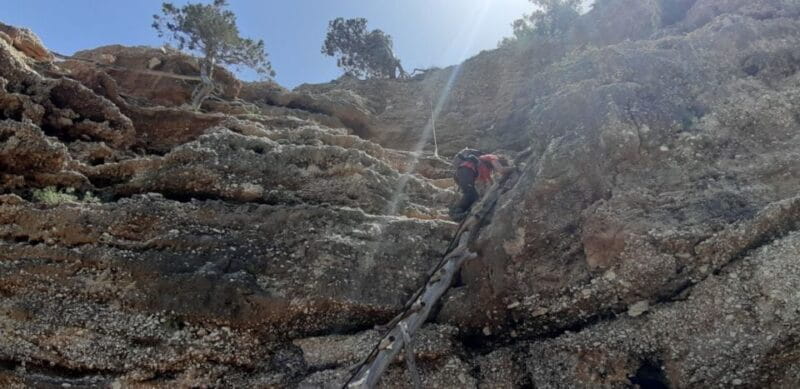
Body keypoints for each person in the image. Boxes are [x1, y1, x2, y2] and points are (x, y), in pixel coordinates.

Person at [449, 148, 512, 221]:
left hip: (463, 173)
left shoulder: (487, 168)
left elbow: (489, 183)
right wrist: (514, 168)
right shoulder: (493, 157)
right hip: (466, 171)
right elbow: (501, 170)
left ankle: (463, 213)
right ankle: (456, 213)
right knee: (469, 193)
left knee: (474, 196)